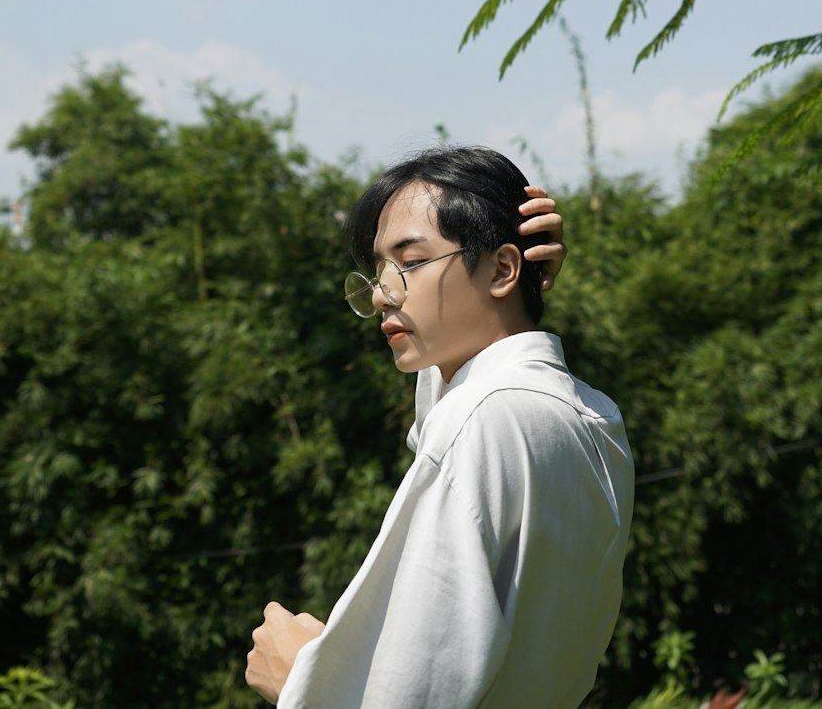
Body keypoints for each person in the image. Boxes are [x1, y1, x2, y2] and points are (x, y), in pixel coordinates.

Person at [246, 147, 633, 709]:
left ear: (501, 267)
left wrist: (299, 680)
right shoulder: (590, 417)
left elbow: (416, 687)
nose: (382, 293)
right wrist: (521, 285)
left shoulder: (482, 417)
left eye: (409, 263)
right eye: (378, 271)